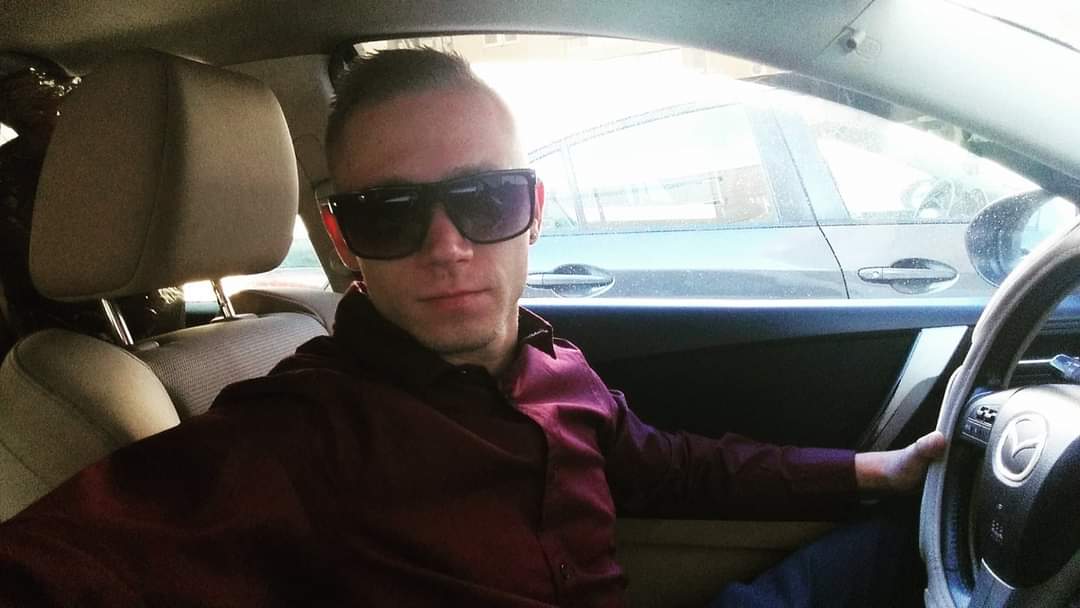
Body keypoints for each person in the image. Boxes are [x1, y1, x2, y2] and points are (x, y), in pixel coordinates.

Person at [0, 49, 945, 607]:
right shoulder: (298, 429)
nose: (447, 247)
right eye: (390, 214)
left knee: (909, 541)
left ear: (533, 211)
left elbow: (667, 465)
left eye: (485, 198)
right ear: (345, 241)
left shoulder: (554, 364)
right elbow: (63, 569)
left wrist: (876, 470)